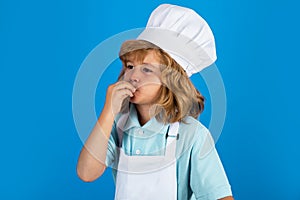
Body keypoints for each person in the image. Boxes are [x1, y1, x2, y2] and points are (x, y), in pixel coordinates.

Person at [77, 4, 233, 200]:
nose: (133, 76)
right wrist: (108, 111)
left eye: (147, 70)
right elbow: (86, 173)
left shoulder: (192, 135)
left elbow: (221, 196)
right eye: (130, 66)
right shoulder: (117, 126)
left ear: (171, 81)